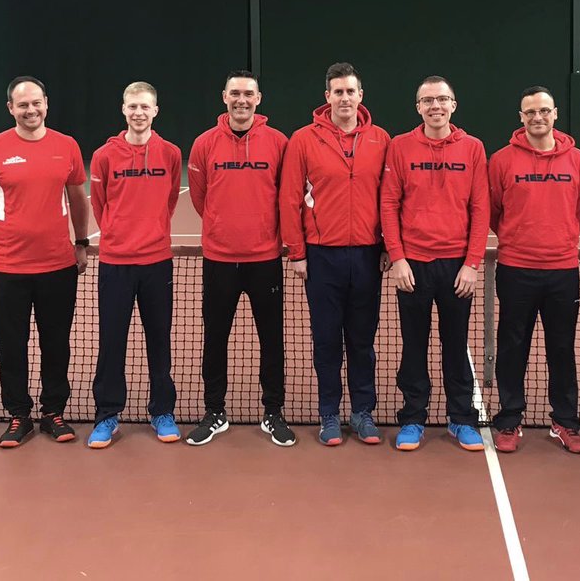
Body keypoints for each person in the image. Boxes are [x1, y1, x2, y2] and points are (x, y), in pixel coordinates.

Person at [0, 76, 89, 448]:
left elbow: (79, 199)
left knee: (56, 343)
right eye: (23, 105)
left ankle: (54, 411)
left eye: (36, 103)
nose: (30, 110)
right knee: (10, 345)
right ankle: (19, 415)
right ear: (11, 109)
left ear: (46, 104)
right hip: (7, 268)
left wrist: (81, 243)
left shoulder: (66, 146)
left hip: (57, 266)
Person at [280, 62, 390, 446]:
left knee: (362, 340)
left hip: (366, 256)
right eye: (337, 92)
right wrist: (297, 253)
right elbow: (289, 198)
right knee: (326, 339)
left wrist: (388, 247)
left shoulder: (380, 139)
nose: (345, 98)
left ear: (361, 95)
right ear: (327, 97)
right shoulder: (303, 139)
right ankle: (329, 413)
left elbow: (390, 200)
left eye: (351, 91)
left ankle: (362, 413)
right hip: (321, 257)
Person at [186, 70, 294, 447]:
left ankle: (273, 412)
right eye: (235, 93)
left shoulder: (279, 142)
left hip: (265, 259)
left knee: (271, 339)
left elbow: (287, 196)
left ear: (259, 98)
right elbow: (200, 198)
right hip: (219, 260)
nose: (241, 100)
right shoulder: (203, 144)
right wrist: (221, 227)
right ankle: (214, 411)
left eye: (248, 94)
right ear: (224, 97)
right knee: (215, 338)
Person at [381, 75, 489, 452]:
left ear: (453, 105)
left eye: (442, 99)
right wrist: (398, 257)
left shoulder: (473, 148)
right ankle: (413, 418)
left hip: (457, 267)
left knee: (455, 345)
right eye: (428, 101)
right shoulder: (400, 146)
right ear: (418, 107)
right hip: (412, 266)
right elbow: (389, 203)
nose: (435, 106)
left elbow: (481, 208)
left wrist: (472, 263)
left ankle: (462, 419)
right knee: (413, 346)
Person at [488, 86, 580, 454]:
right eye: (530, 111)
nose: (537, 117)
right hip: (516, 269)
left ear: (555, 113)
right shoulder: (501, 160)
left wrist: (559, 238)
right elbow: (495, 211)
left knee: (562, 348)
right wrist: (519, 239)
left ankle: (565, 422)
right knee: (512, 346)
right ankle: (509, 420)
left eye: (544, 111)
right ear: (521, 116)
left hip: (562, 270)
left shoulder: (577, 159)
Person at [87, 81, 182, 449]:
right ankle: (107, 415)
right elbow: (99, 204)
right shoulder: (104, 156)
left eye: (145, 106)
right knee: (112, 341)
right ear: (123, 109)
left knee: (159, 341)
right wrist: (116, 233)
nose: (138, 112)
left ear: (155, 111)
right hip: (115, 264)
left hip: (157, 263)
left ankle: (162, 411)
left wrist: (153, 231)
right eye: (132, 106)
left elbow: (171, 198)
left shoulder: (171, 154)